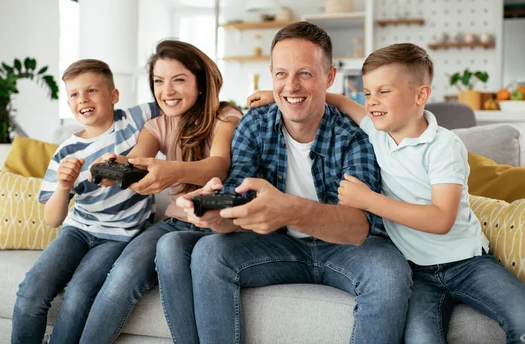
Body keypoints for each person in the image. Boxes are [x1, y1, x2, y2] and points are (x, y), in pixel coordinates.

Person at [252, 42, 525, 343]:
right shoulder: (373, 132)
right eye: (368, 93)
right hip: (416, 274)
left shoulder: (443, 146)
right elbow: (340, 101)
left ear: (420, 95)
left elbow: (441, 219)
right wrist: (279, 98)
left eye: (384, 92)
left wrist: (370, 200)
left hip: (467, 263)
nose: (372, 102)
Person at [159, 21, 413, 344]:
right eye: (281, 74)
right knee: (208, 252)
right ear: (271, 75)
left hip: (344, 249)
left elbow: (359, 226)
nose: (290, 86)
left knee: (390, 271)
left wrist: (289, 210)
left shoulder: (354, 135)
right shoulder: (254, 125)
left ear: (329, 77)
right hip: (278, 247)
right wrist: (215, 216)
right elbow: (238, 198)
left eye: (304, 74)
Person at [77, 40, 242, 343]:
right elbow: (137, 160)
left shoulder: (226, 117)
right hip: (173, 221)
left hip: (216, 223)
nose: (166, 91)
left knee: (168, 251)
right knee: (121, 276)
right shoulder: (156, 126)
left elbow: (218, 165)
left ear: (201, 83)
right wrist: (115, 165)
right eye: (158, 81)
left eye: (179, 80)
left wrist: (173, 171)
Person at [11, 59, 159, 344]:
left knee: (79, 294)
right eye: (75, 94)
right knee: (31, 292)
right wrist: (64, 186)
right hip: (78, 231)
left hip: (119, 237)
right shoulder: (66, 151)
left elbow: (177, 102)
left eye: (92, 90)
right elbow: (52, 219)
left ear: (114, 96)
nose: (83, 99)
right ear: (69, 104)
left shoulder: (133, 119)